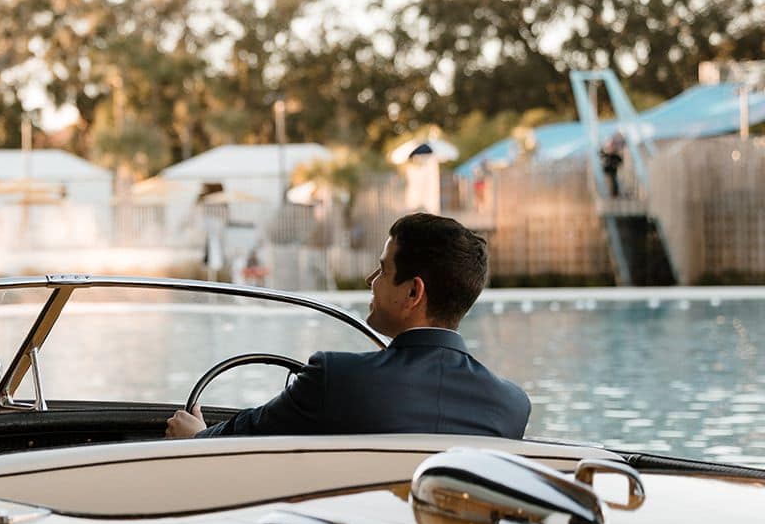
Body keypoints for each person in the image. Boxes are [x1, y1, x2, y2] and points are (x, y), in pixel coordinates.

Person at [166, 212, 530, 440]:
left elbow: (240, 441)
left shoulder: (336, 378)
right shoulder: (511, 407)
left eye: (383, 270)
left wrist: (196, 438)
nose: (371, 280)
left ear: (413, 292)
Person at [599, 132, 625, 197]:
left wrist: (614, 163)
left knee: (613, 181)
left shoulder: (615, 155)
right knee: (609, 181)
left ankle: (614, 194)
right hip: (607, 170)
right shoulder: (605, 153)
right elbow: (601, 154)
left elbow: (620, 161)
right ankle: (611, 193)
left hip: (613, 171)